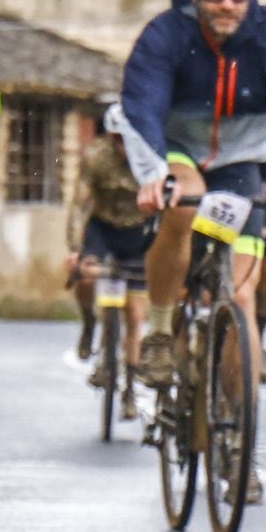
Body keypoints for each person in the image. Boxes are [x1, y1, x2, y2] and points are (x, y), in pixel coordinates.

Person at [122, 0, 266, 504]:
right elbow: (140, 106)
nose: (228, 4)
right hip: (180, 150)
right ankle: (161, 334)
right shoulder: (166, 35)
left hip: (244, 161)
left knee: (244, 291)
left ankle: (242, 446)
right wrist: (151, 173)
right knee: (181, 204)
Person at [69, 102, 155, 421]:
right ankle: (90, 323)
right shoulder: (95, 157)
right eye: (116, 139)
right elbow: (80, 203)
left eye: (128, 139)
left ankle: (130, 389)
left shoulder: (150, 158)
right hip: (103, 228)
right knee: (86, 274)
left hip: (139, 232)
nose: (123, 146)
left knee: (135, 314)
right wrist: (75, 249)